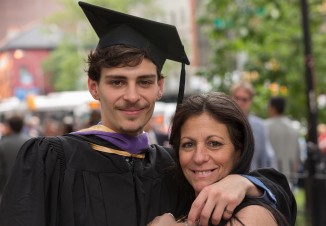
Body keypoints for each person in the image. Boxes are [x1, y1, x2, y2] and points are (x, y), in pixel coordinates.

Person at [0, 2, 296, 226]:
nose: (132, 96)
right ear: (94, 87)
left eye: (144, 81)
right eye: (117, 82)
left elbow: (281, 197)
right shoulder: (52, 160)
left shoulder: (175, 165)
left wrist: (245, 182)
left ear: (159, 87)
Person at [147, 92, 294, 226]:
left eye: (214, 144)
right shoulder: (177, 200)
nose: (199, 157)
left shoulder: (250, 216)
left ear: (238, 151)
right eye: (188, 144)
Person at [230, 81, 276, 169]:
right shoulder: (222, 123)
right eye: (237, 98)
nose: (240, 103)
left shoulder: (260, 126)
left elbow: (266, 158)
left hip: (251, 179)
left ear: (250, 101)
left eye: (244, 99)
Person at [266, 96, 301, 187]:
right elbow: (297, 155)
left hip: (270, 175)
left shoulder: (265, 126)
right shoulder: (293, 128)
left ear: (272, 108)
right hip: (289, 175)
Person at [0, 115, 30, 196]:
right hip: (27, 186)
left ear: (9, 127)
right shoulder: (30, 141)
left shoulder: (3, 144)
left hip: (7, 186)